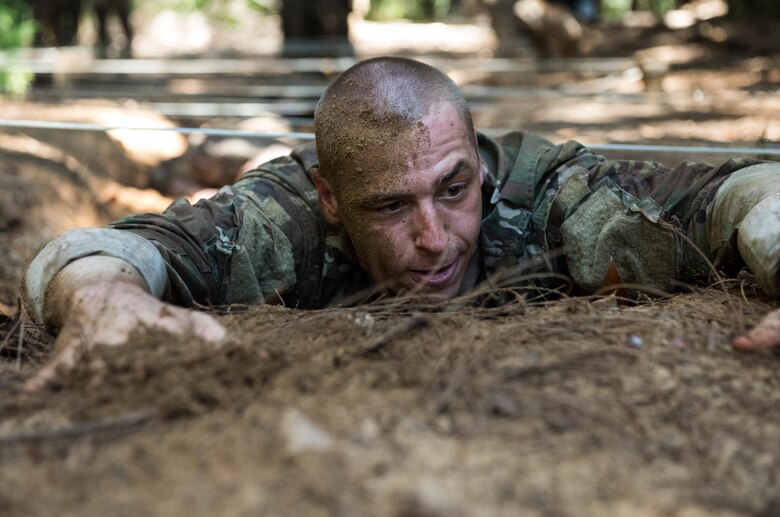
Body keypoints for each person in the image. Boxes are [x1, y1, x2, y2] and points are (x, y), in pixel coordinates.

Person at [22, 57, 780, 390]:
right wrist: (103, 301)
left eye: (453, 189)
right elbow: (106, 251)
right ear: (329, 198)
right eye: (389, 206)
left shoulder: (553, 196)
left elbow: (743, 191)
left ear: (477, 162)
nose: (435, 237)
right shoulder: (281, 218)